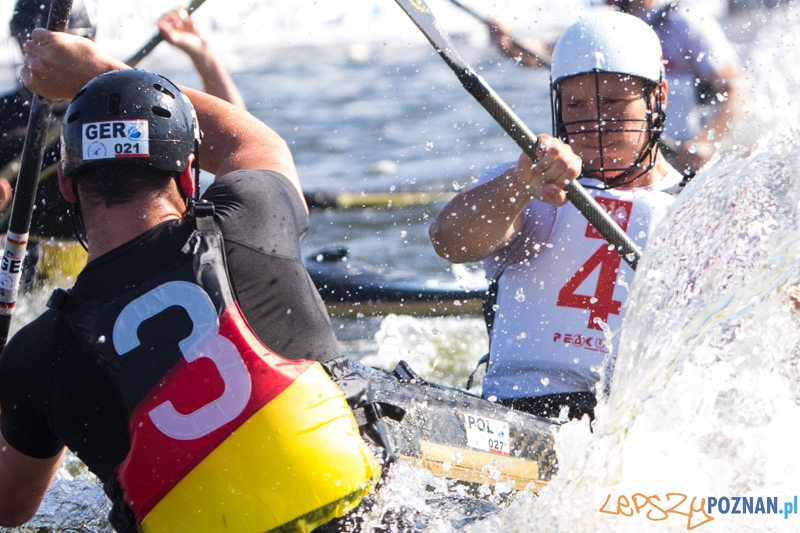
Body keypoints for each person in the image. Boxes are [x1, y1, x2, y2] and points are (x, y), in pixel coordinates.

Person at [0, 27, 383, 532]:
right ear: (187, 174)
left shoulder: (36, 354)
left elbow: (9, 508)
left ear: (68, 187)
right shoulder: (251, 219)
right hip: (375, 513)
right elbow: (253, 141)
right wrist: (94, 71)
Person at [429, 12, 684, 421]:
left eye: (614, 103)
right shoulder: (530, 183)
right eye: (577, 104)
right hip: (518, 411)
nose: (594, 120)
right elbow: (448, 241)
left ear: (658, 98)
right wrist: (518, 185)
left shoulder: (694, 206)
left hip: (631, 420)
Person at [0, 0, 245, 287]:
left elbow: (235, 146)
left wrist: (202, 55)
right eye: (33, 43)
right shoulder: (4, 116)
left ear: (88, 41)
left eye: (55, 44)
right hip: (19, 269)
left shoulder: (128, 105)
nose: (45, 55)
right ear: (20, 45)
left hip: (111, 264)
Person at [489, 0, 742, 175]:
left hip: (680, 160)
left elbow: (736, 93)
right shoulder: (599, 28)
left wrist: (706, 143)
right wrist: (511, 44)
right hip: (625, 165)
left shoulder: (686, 23)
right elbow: (543, 53)